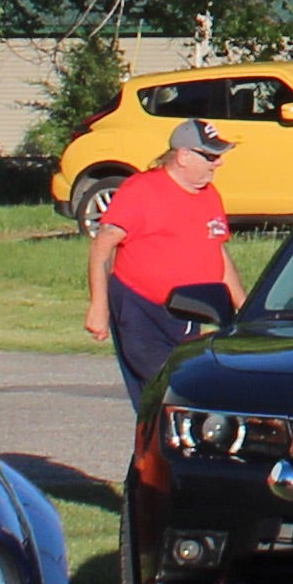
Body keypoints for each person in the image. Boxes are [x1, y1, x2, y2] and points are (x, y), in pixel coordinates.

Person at [86, 119, 239, 395]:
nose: (218, 163)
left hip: (190, 312)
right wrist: (99, 306)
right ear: (183, 156)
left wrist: (244, 308)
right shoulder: (141, 191)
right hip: (141, 308)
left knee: (188, 388)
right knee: (165, 389)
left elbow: (217, 252)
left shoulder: (209, 195)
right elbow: (102, 246)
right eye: (211, 156)